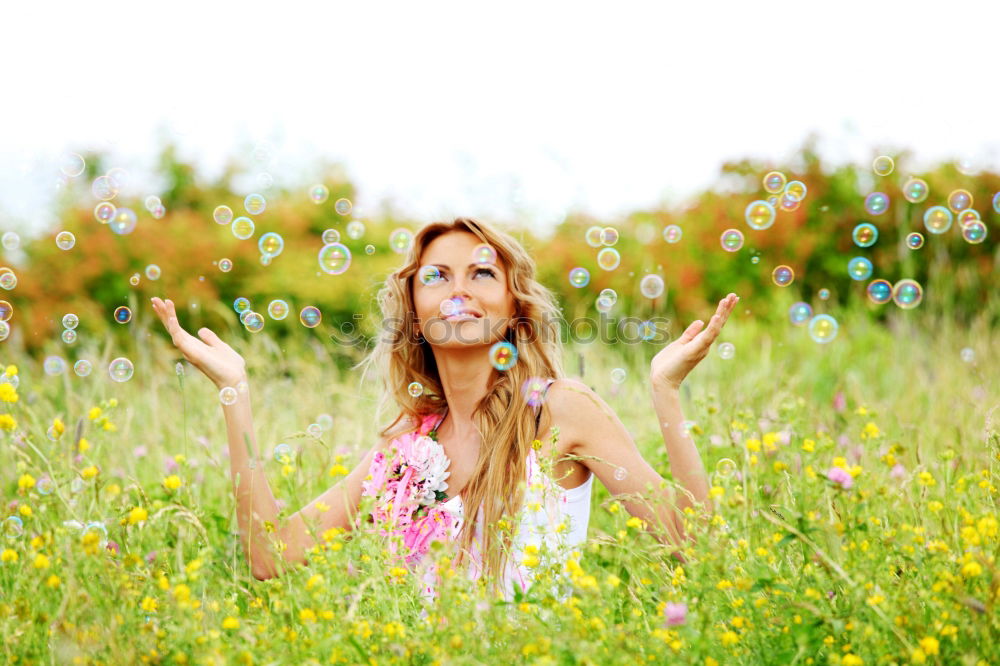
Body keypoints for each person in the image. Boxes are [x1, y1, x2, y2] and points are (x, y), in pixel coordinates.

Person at [151, 217, 738, 599]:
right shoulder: (408, 443)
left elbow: (694, 543)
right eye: (437, 276)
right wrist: (235, 392)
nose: (458, 288)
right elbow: (268, 555)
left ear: (513, 307)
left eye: (482, 272)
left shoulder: (558, 410)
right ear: (413, 310)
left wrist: (665, 391)